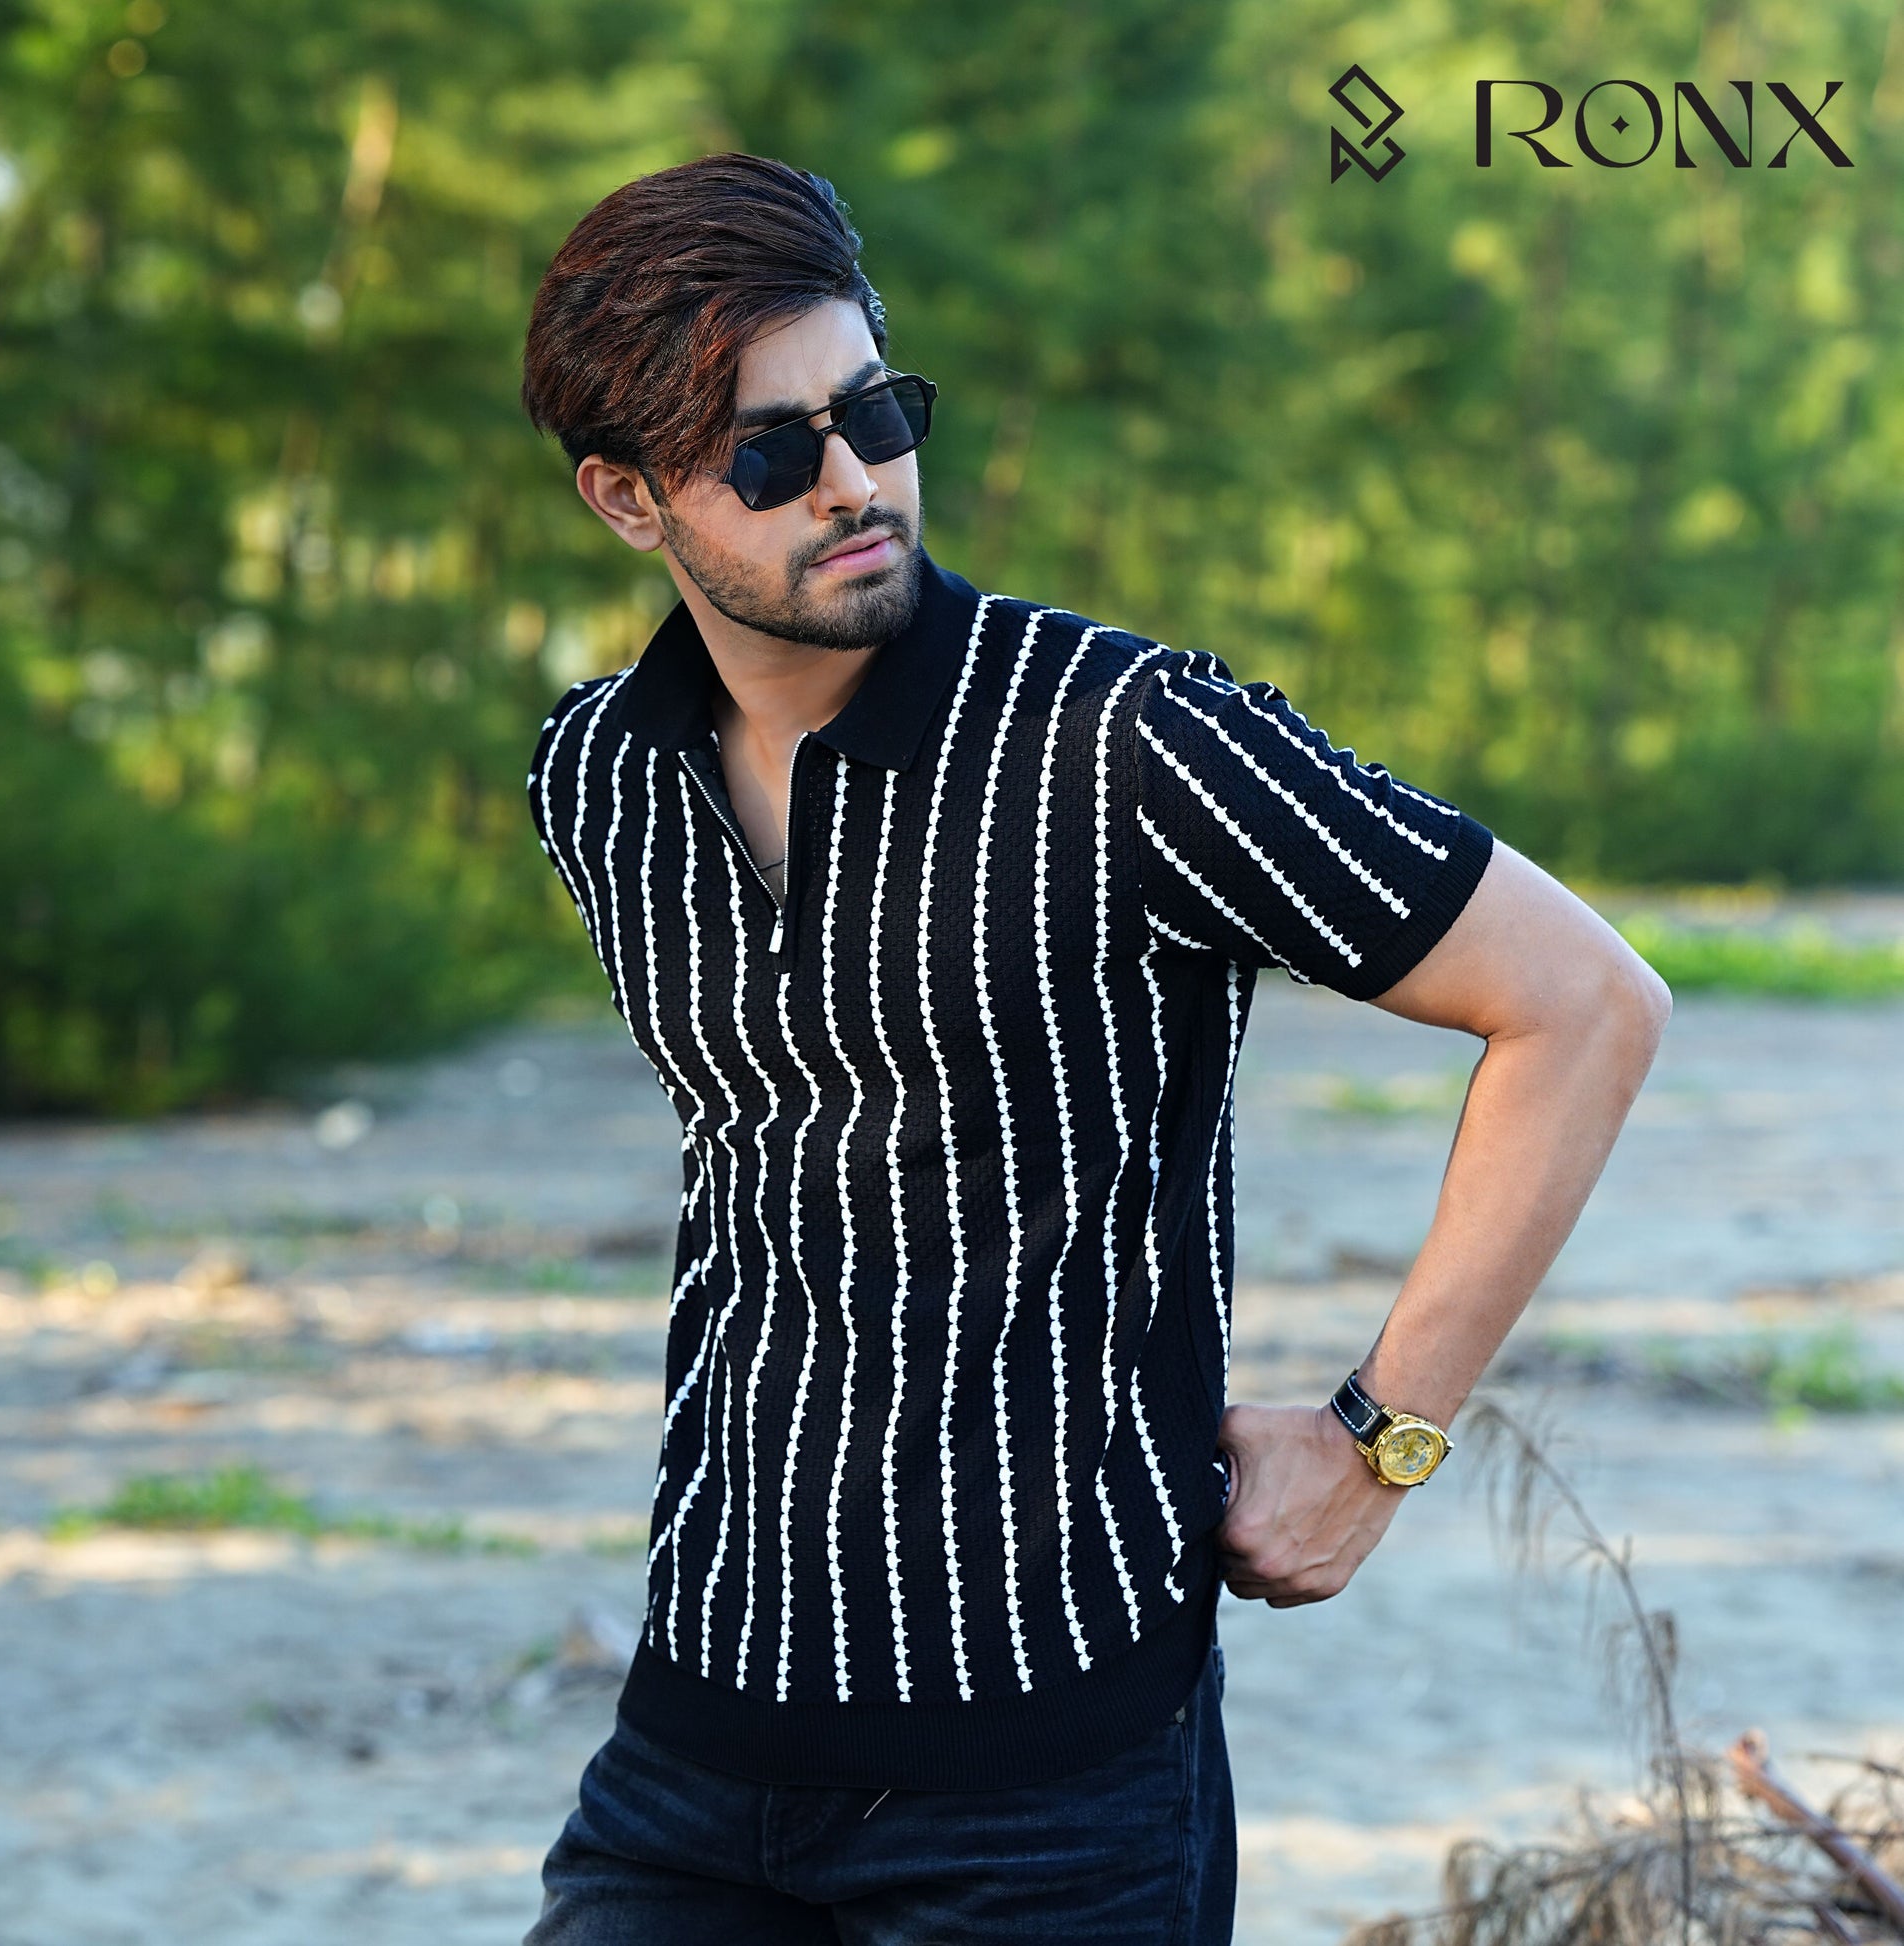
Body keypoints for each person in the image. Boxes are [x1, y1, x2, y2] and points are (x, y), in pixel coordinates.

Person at [515, 151, 1671, 1945]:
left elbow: (1583, 1001)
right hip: (695, 1733)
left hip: (1048, 1781)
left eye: (873, 412)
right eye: (766, 453)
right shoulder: (597, 775)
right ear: (625, 497)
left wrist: (1379, 1439)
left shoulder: (1124, 740)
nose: (853, 481)